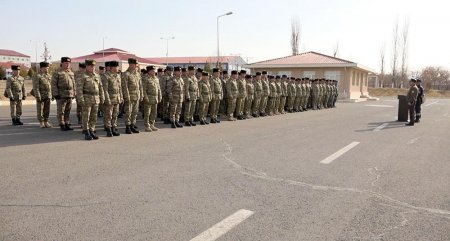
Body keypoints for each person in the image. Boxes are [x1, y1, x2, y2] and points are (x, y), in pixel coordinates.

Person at [77, 60, 104, 140]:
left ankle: (92, 130)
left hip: (95, 99)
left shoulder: (97, 76)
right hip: (86, 98)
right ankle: (86, 131)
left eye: (93, 66)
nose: (92, 68)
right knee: (86, 116)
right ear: (87, 66)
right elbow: (79, 90)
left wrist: (102, 97)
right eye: (91, 66)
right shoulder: (82, 76)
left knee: (94, 116)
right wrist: (81, 99)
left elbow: (100, 87)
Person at [51, 57, 75, 131]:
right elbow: (53, 84)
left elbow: (73, 83)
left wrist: (74, 92)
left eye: (69, 63)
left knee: (68, 110)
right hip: (61, 94)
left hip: (70, 94)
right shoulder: (57, 72)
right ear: (62, 63)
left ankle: (67, 123)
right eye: (66, 63)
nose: (68, 64)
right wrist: (56, 94)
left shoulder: (71, 72)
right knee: (61, 110)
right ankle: (62, 124)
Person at [121, 58, 143, 134]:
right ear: (130, 64)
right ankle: (127, 127)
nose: (135, 66)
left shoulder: (137, 74)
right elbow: (125, 87)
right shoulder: (126, 74)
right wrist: (127, 97)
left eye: (136, 64)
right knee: (128, 112)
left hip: (136, 96)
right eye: (134, 64)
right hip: (130, 96)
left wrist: (141, 94)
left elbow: (140, 86)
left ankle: (132, 125)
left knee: (135, 112)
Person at [102, 61, 123, 137]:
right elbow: (105, 90)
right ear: (112, 67)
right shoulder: (106, 76)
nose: (118, 68)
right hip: (110, 99)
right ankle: (109, 129)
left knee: (115, 114)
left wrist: (121, 97)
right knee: (108, 115)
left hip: (116, 98)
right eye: (117, 67)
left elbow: (120, 88)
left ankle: (114, 128)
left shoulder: (118, 76)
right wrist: (107, 100)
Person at [33, 62, 53, 128]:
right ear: (41, 68)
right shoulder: (37, 76)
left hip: (48, 95)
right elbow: (36, 87)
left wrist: (52, 95)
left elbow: (51, 86)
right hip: (41, 95)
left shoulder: (49, 76)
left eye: (47, 68)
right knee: (40, 109)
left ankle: (46, 121)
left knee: (47, 109)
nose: (46, 69)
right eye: (45, 68)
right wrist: (38, 95)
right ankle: (41, 122)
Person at [142, 65, 162, 132]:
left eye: (154, 70)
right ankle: (147, 126)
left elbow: (158, 88)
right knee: (147, 113)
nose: (154, 72)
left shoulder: (156, 78)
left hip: (155, 97)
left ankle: (152, 124)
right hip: (148, 97)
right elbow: (143, 89)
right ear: (149, 71)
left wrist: (160, 96)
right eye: (153, 70)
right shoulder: (145, 78)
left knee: (154, 112)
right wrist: (145, 97)